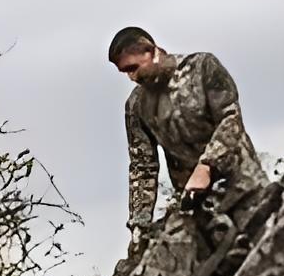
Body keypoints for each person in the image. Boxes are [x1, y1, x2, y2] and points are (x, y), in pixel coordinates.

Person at [114, 27, 267, 249]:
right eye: (126, 72)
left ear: (152, 51)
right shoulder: (136, 106)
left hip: (244, 187)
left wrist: (206, 165)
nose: (132, 77)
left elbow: (230, 119)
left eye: (134, 68)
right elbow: (142, 166)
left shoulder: (202, 68)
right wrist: (139, 224)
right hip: (199, 209)